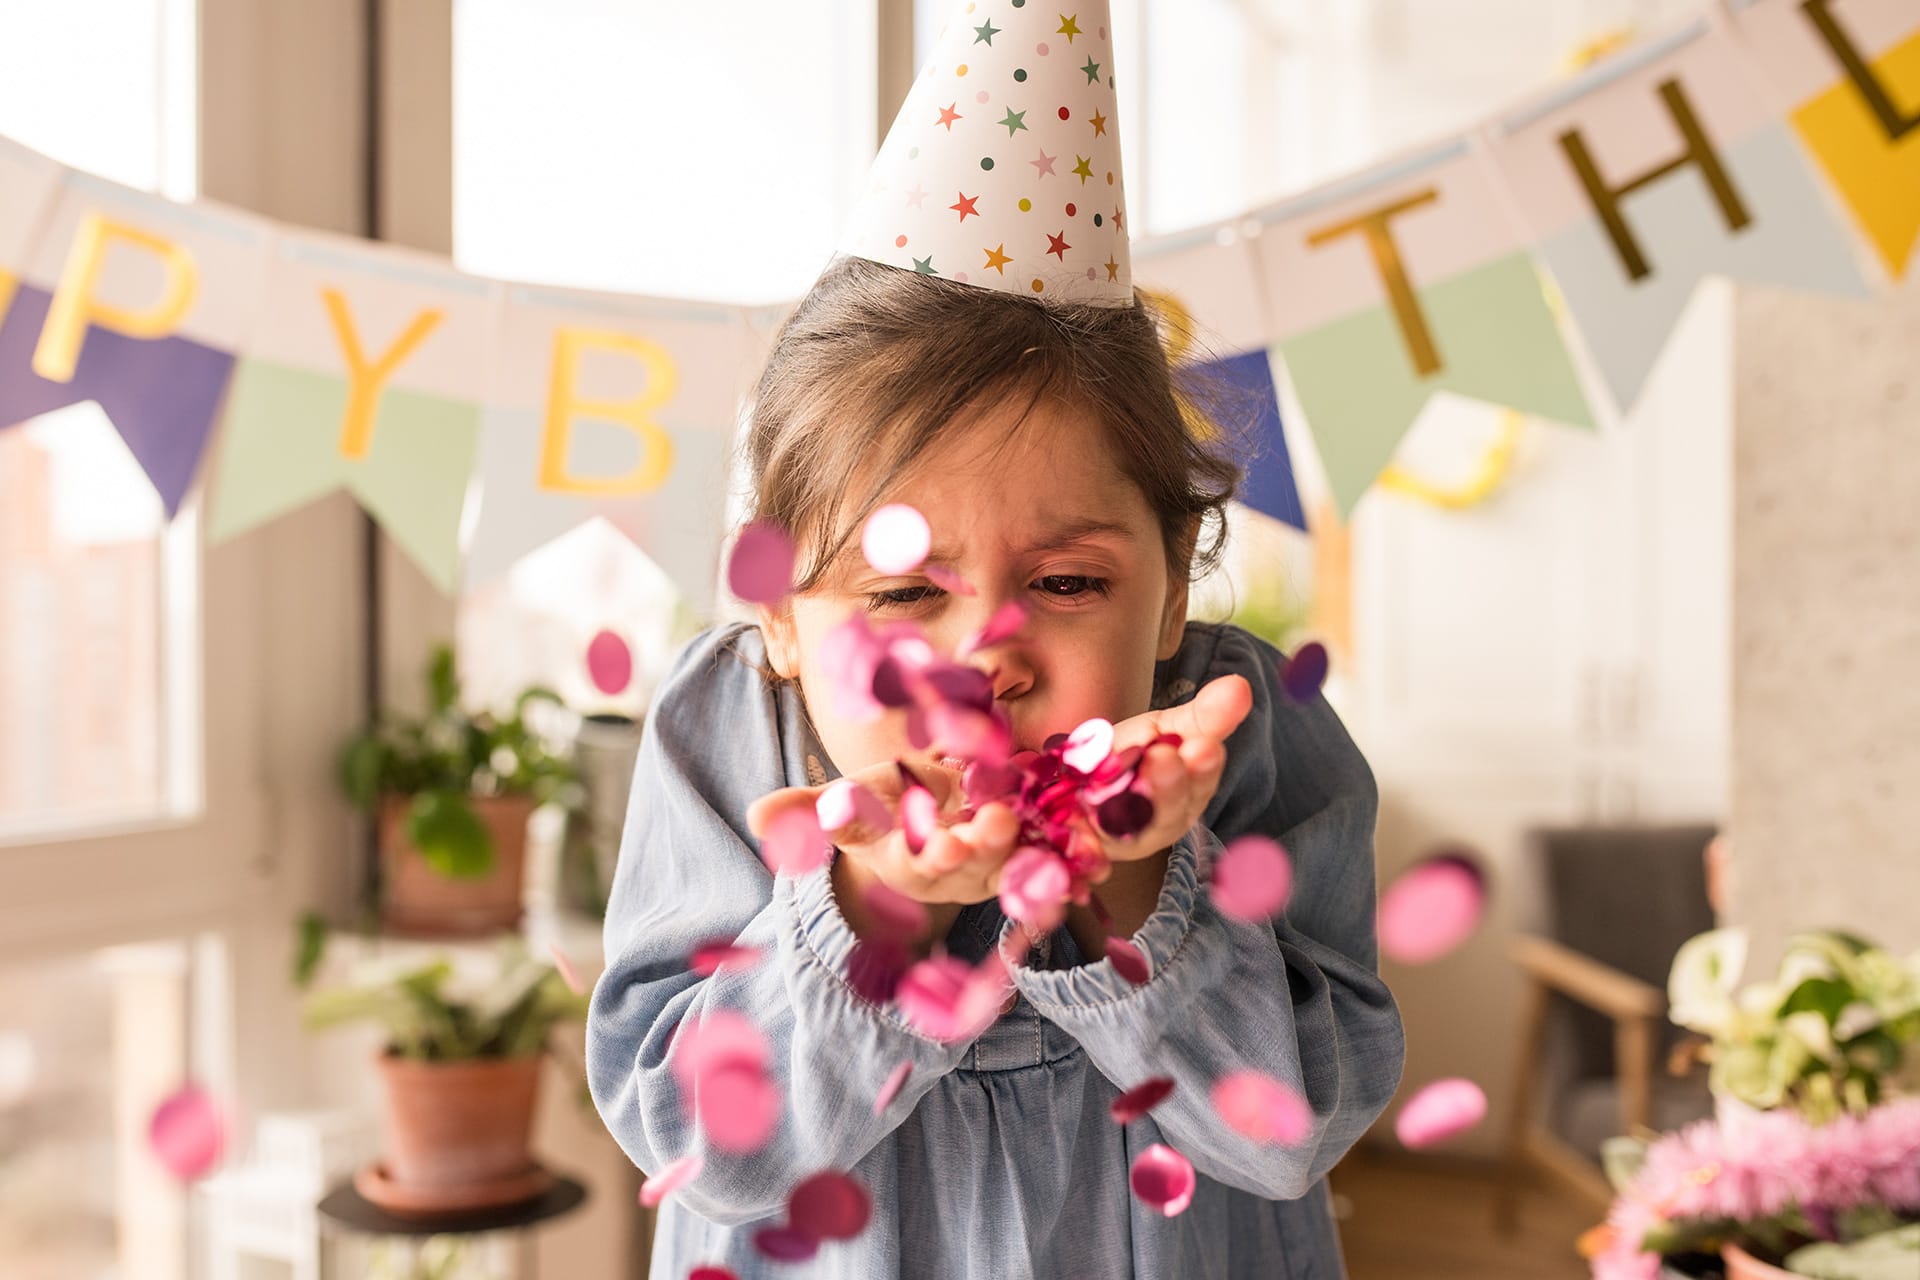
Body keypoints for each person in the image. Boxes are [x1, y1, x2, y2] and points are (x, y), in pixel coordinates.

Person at [585, 4, 1403, 1276]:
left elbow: (1294, 1132)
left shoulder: (1250, 737)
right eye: (904, 592)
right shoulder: (728, 736)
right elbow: (700, 1141)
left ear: (1174, 588)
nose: (986, 656)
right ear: (783, 616)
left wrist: (1127, 881)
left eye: (1069, 578)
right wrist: (881, 908)